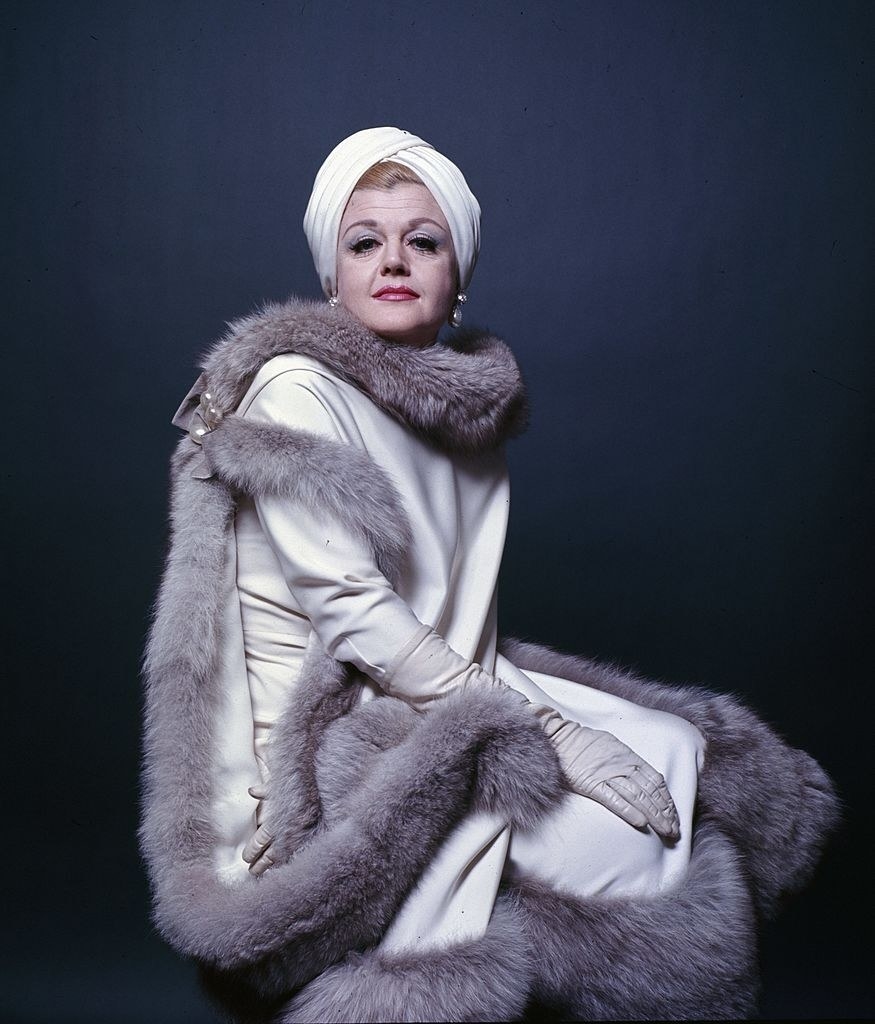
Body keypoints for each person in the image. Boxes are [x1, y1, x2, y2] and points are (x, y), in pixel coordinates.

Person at [140, 127, 838, 1023]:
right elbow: (356, 616)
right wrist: (557, 736)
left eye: (421, 240)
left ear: (456, 272)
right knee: (629, 835)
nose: (393, 259)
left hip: (431, 683)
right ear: (330, 277)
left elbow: (452, 616)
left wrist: (565, 727)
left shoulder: (458, 414)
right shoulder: (295, 391)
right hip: (326, 739)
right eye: (364, 242)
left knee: (678, 753)